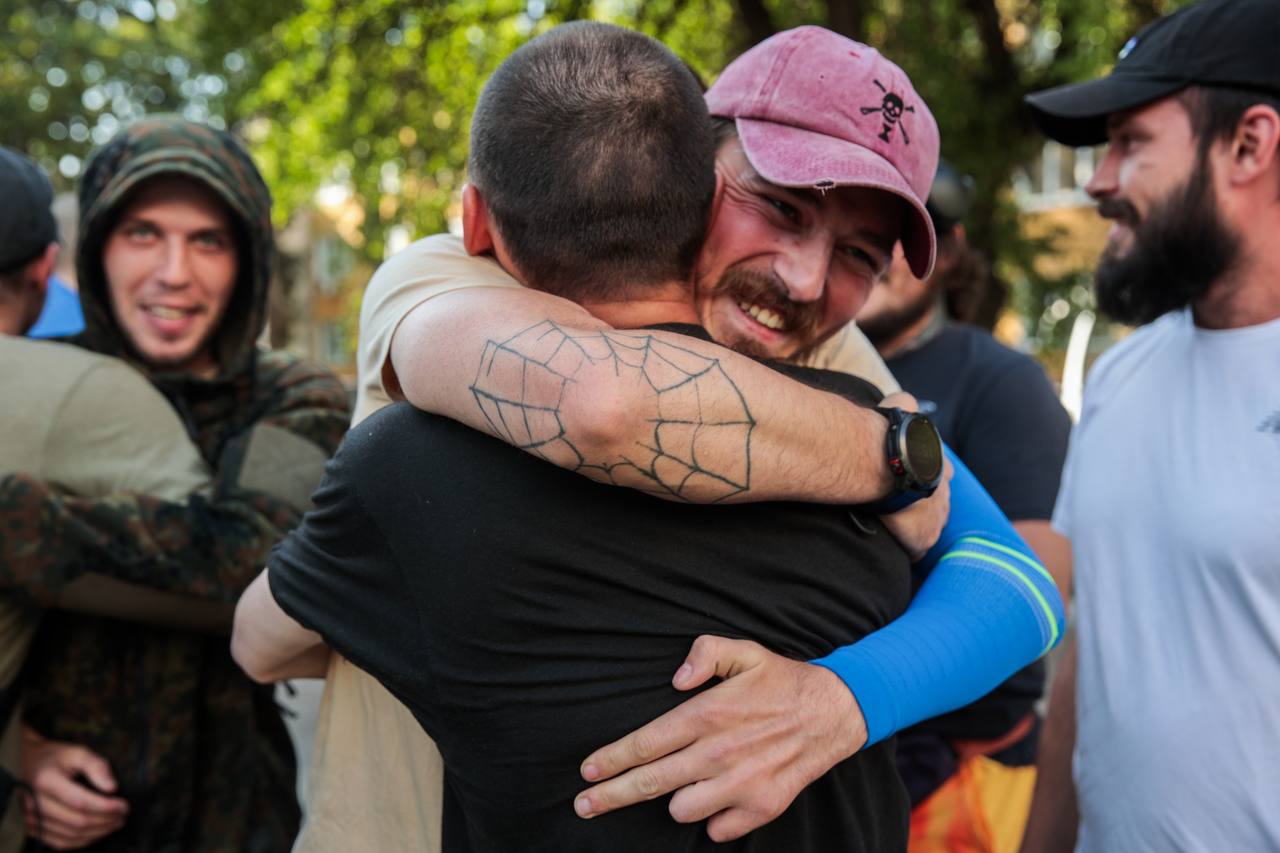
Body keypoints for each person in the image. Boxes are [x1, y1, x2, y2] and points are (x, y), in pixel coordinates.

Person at [235, 23, 1063, 849]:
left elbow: (1017, 585)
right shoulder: (456, 271)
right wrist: (893, 458)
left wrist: (842, 697)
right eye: (778, 206)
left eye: (857, 256)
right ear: (693, 169)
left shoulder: (822, 343)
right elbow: (607, 403)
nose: (804, 277)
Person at [0, 119, 351, 851]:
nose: (173, 272)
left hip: (233, 817)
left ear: (246, 257)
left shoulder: (291, 397)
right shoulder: (43, 380)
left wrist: (17, 518)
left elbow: (253, 561)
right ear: (95, 248)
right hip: (61, 819)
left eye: (208, 241)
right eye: (142, 234)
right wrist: (16, 751)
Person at [1016, 1, 1280, 850]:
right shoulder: (1121, 376)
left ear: (1249, 145)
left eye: (1131, 144)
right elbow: (1097, 663)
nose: (1097, 180)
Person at [857, 162, 1071, 849]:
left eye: (896, 238)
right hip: (845, 765)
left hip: (959, 772)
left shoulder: (999, 379)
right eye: (857, 234)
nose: (875, 257)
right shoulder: (806, 360)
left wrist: (838, 695)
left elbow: (1044, 571)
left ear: (942, 254)